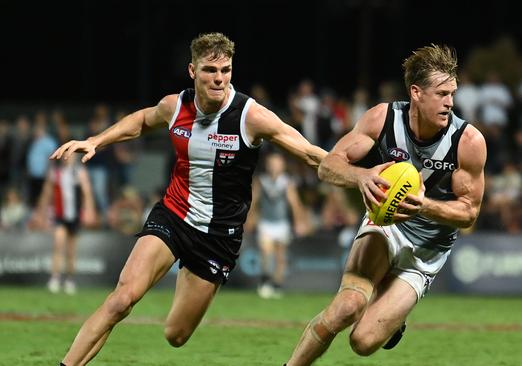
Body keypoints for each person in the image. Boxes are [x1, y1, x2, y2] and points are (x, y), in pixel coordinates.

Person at [50, 32, 326, 366]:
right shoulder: (175, 106)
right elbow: (140, 121)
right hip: (173, 214)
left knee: (176, 336)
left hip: (217, 237)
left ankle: (189, 272)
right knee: (121, 300)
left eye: (225, 69)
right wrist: (96, 140)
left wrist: (361, 175)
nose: (219, 78)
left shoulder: (250, 116)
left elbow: (311, 154)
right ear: (193, 71)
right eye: (210, 70)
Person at [285, 43, 487, 365]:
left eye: (452, 93)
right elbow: (328, 165)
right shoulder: (383, 118)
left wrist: (424, 206)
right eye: (441, 93)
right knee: (346, 307)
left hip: (428, 251)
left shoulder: (468, 141)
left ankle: (393, 317)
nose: (450, 102)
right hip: (385, 226)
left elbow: (469, 213)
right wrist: (361, 176)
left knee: (362, 342)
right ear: (416, 93)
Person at [247, 151, 310, 299]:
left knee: (281, 257)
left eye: (277, 163)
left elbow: (294, 204)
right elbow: (254, 201)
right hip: (266, 223)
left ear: (282, 166)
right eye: (272, 164)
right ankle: (265, 282)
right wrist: (250, 218)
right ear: (267, 165)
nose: (275, 166)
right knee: (266, 253)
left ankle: (277, 285)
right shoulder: (261, 181)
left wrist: (299, 222)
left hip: (282, 224)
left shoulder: (286, 182)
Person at [33, 155, 96, 295]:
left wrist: (89, 210)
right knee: (58, 245)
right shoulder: (55, 172)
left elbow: (87, 192)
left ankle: (70, 280)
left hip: (74, 216)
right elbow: (46, 193)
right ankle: (55, 278)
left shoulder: (79, 171)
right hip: (60, 215)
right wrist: (40, 213)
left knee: (71, 251)